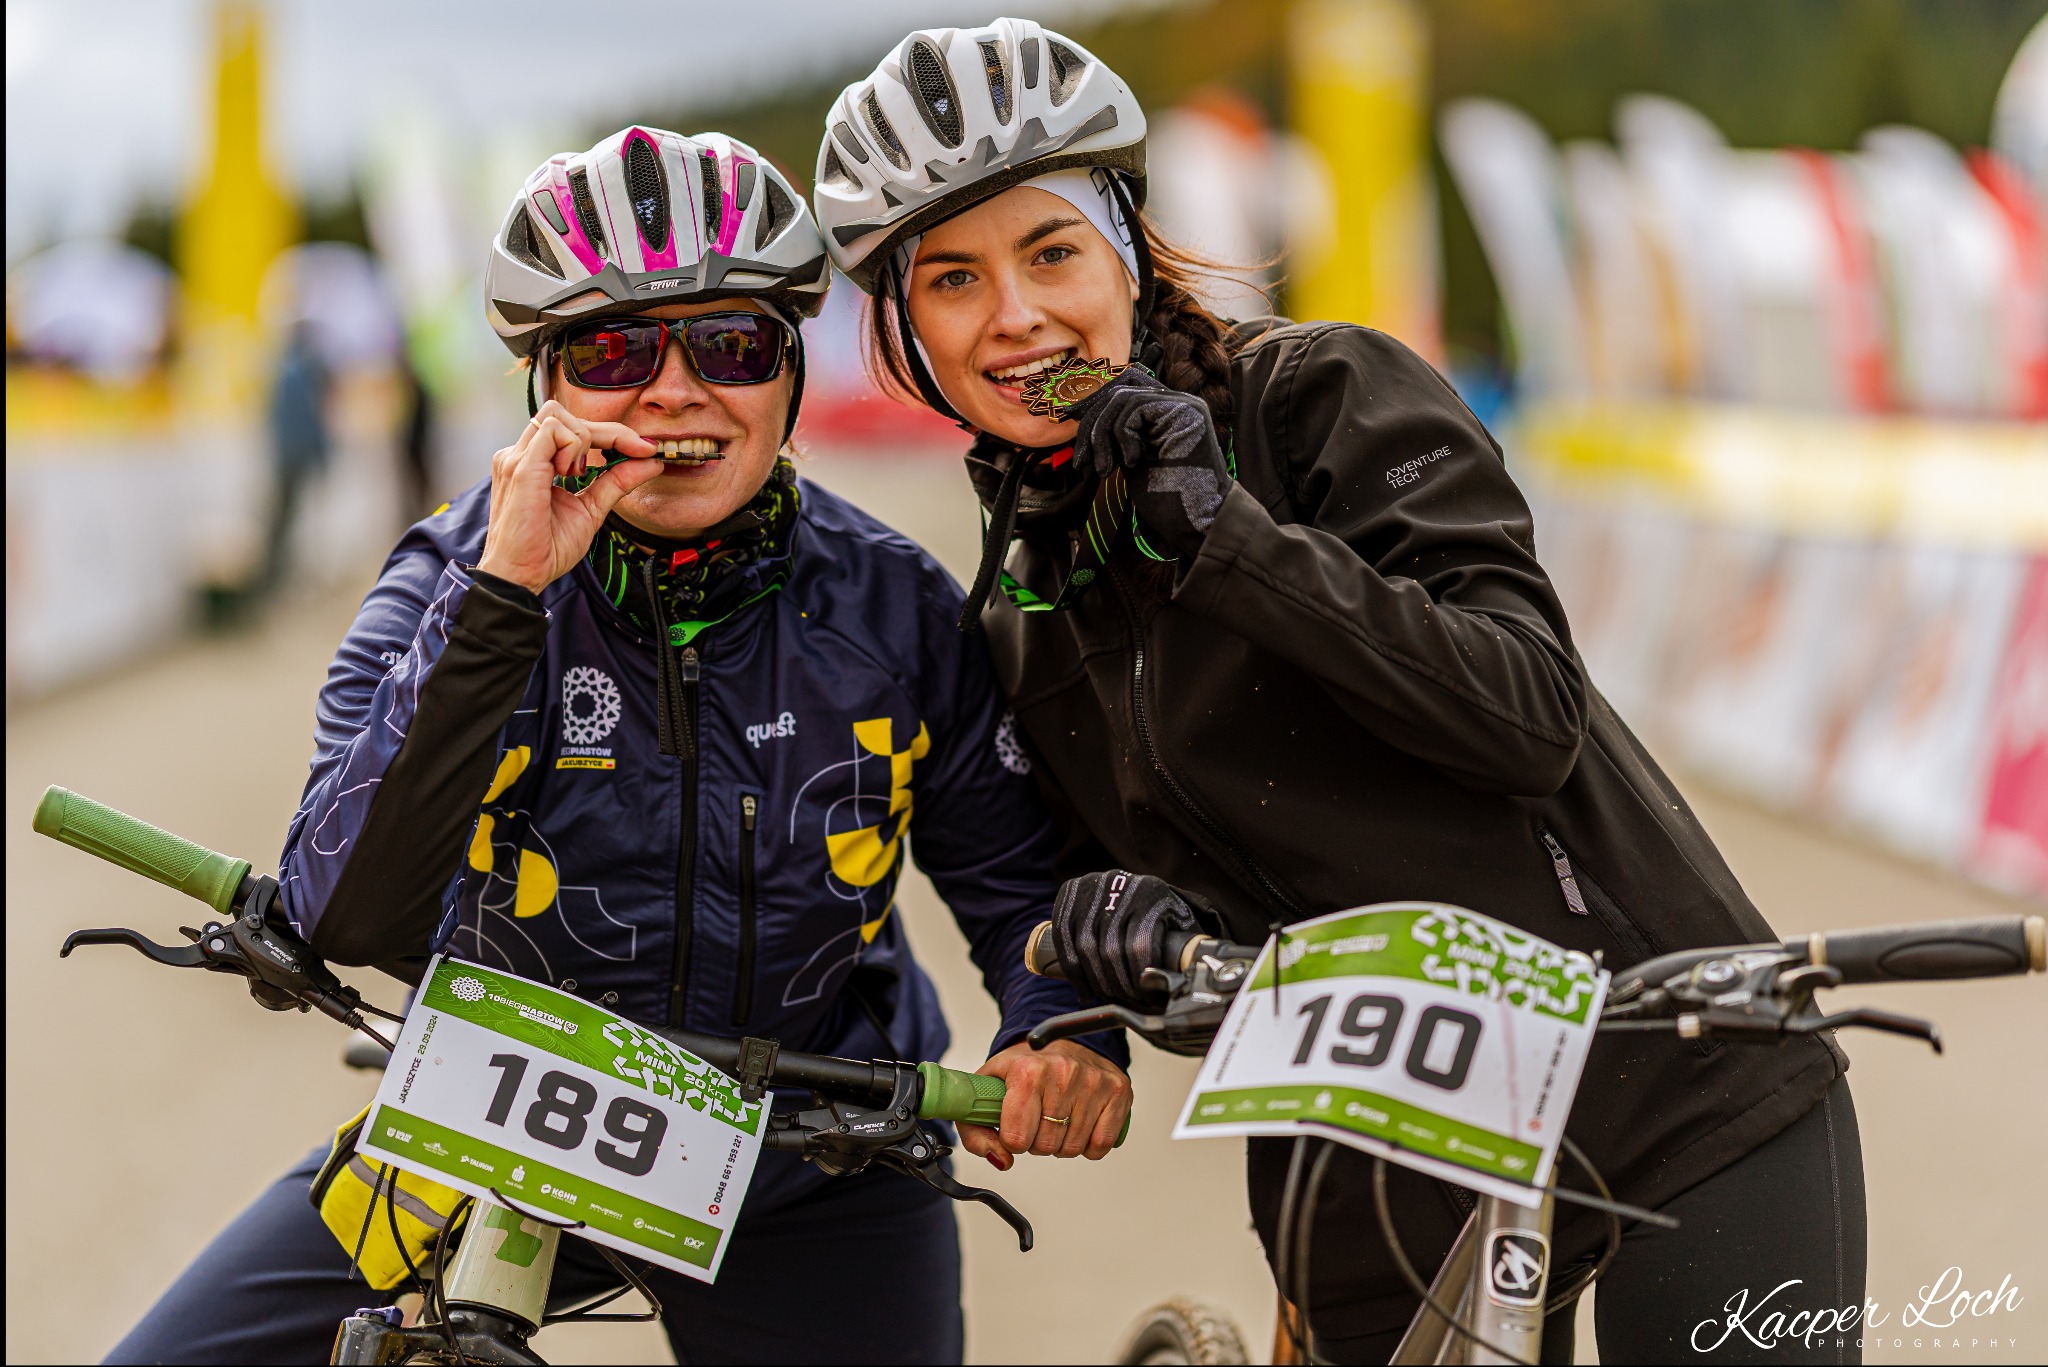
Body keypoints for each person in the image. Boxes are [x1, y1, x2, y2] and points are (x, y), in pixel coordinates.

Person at [814, 21, 1863, 1365]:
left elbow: (1528, 713)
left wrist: (1233, 545)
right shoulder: (1019, 597)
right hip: (1374, 1154)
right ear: (903, 326)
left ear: (1128, 248)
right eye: (952, 279)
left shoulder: (1320, 397)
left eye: (1052, 250)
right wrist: (1120, 936)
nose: (1015, 315)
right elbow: (1161, 887)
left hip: (1668, 1072)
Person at [108, 125, 1130, 1367]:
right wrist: (508, 592)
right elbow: (349, 913)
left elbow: (1016, 878)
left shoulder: (894, 604)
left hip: (811, 1156)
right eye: (610, 349)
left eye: (731, 343)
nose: (673, 389)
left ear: (788, 375)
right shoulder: (450, 576)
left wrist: (1059, 1025)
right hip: (495, 1133)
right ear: (543, 388)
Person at [262, 320, 332, 589]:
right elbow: (308, 421)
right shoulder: (300, 372)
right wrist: (320, 455)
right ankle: (280, 577)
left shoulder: (284, 369)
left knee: (285, 517)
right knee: (289, 519)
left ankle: (278, 576)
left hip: (286, 457)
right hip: (296, 457)